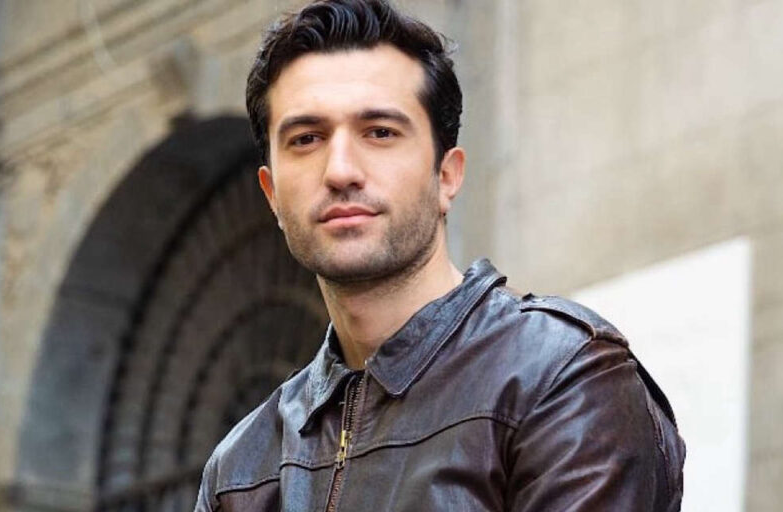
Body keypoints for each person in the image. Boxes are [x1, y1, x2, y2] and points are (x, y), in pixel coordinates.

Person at [195, 0, 685, 510]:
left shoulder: (559, 377)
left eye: (380, 132)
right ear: (272, 194)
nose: (340, 170)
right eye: (306, 139)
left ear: (447, 176)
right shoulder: (240, 469)